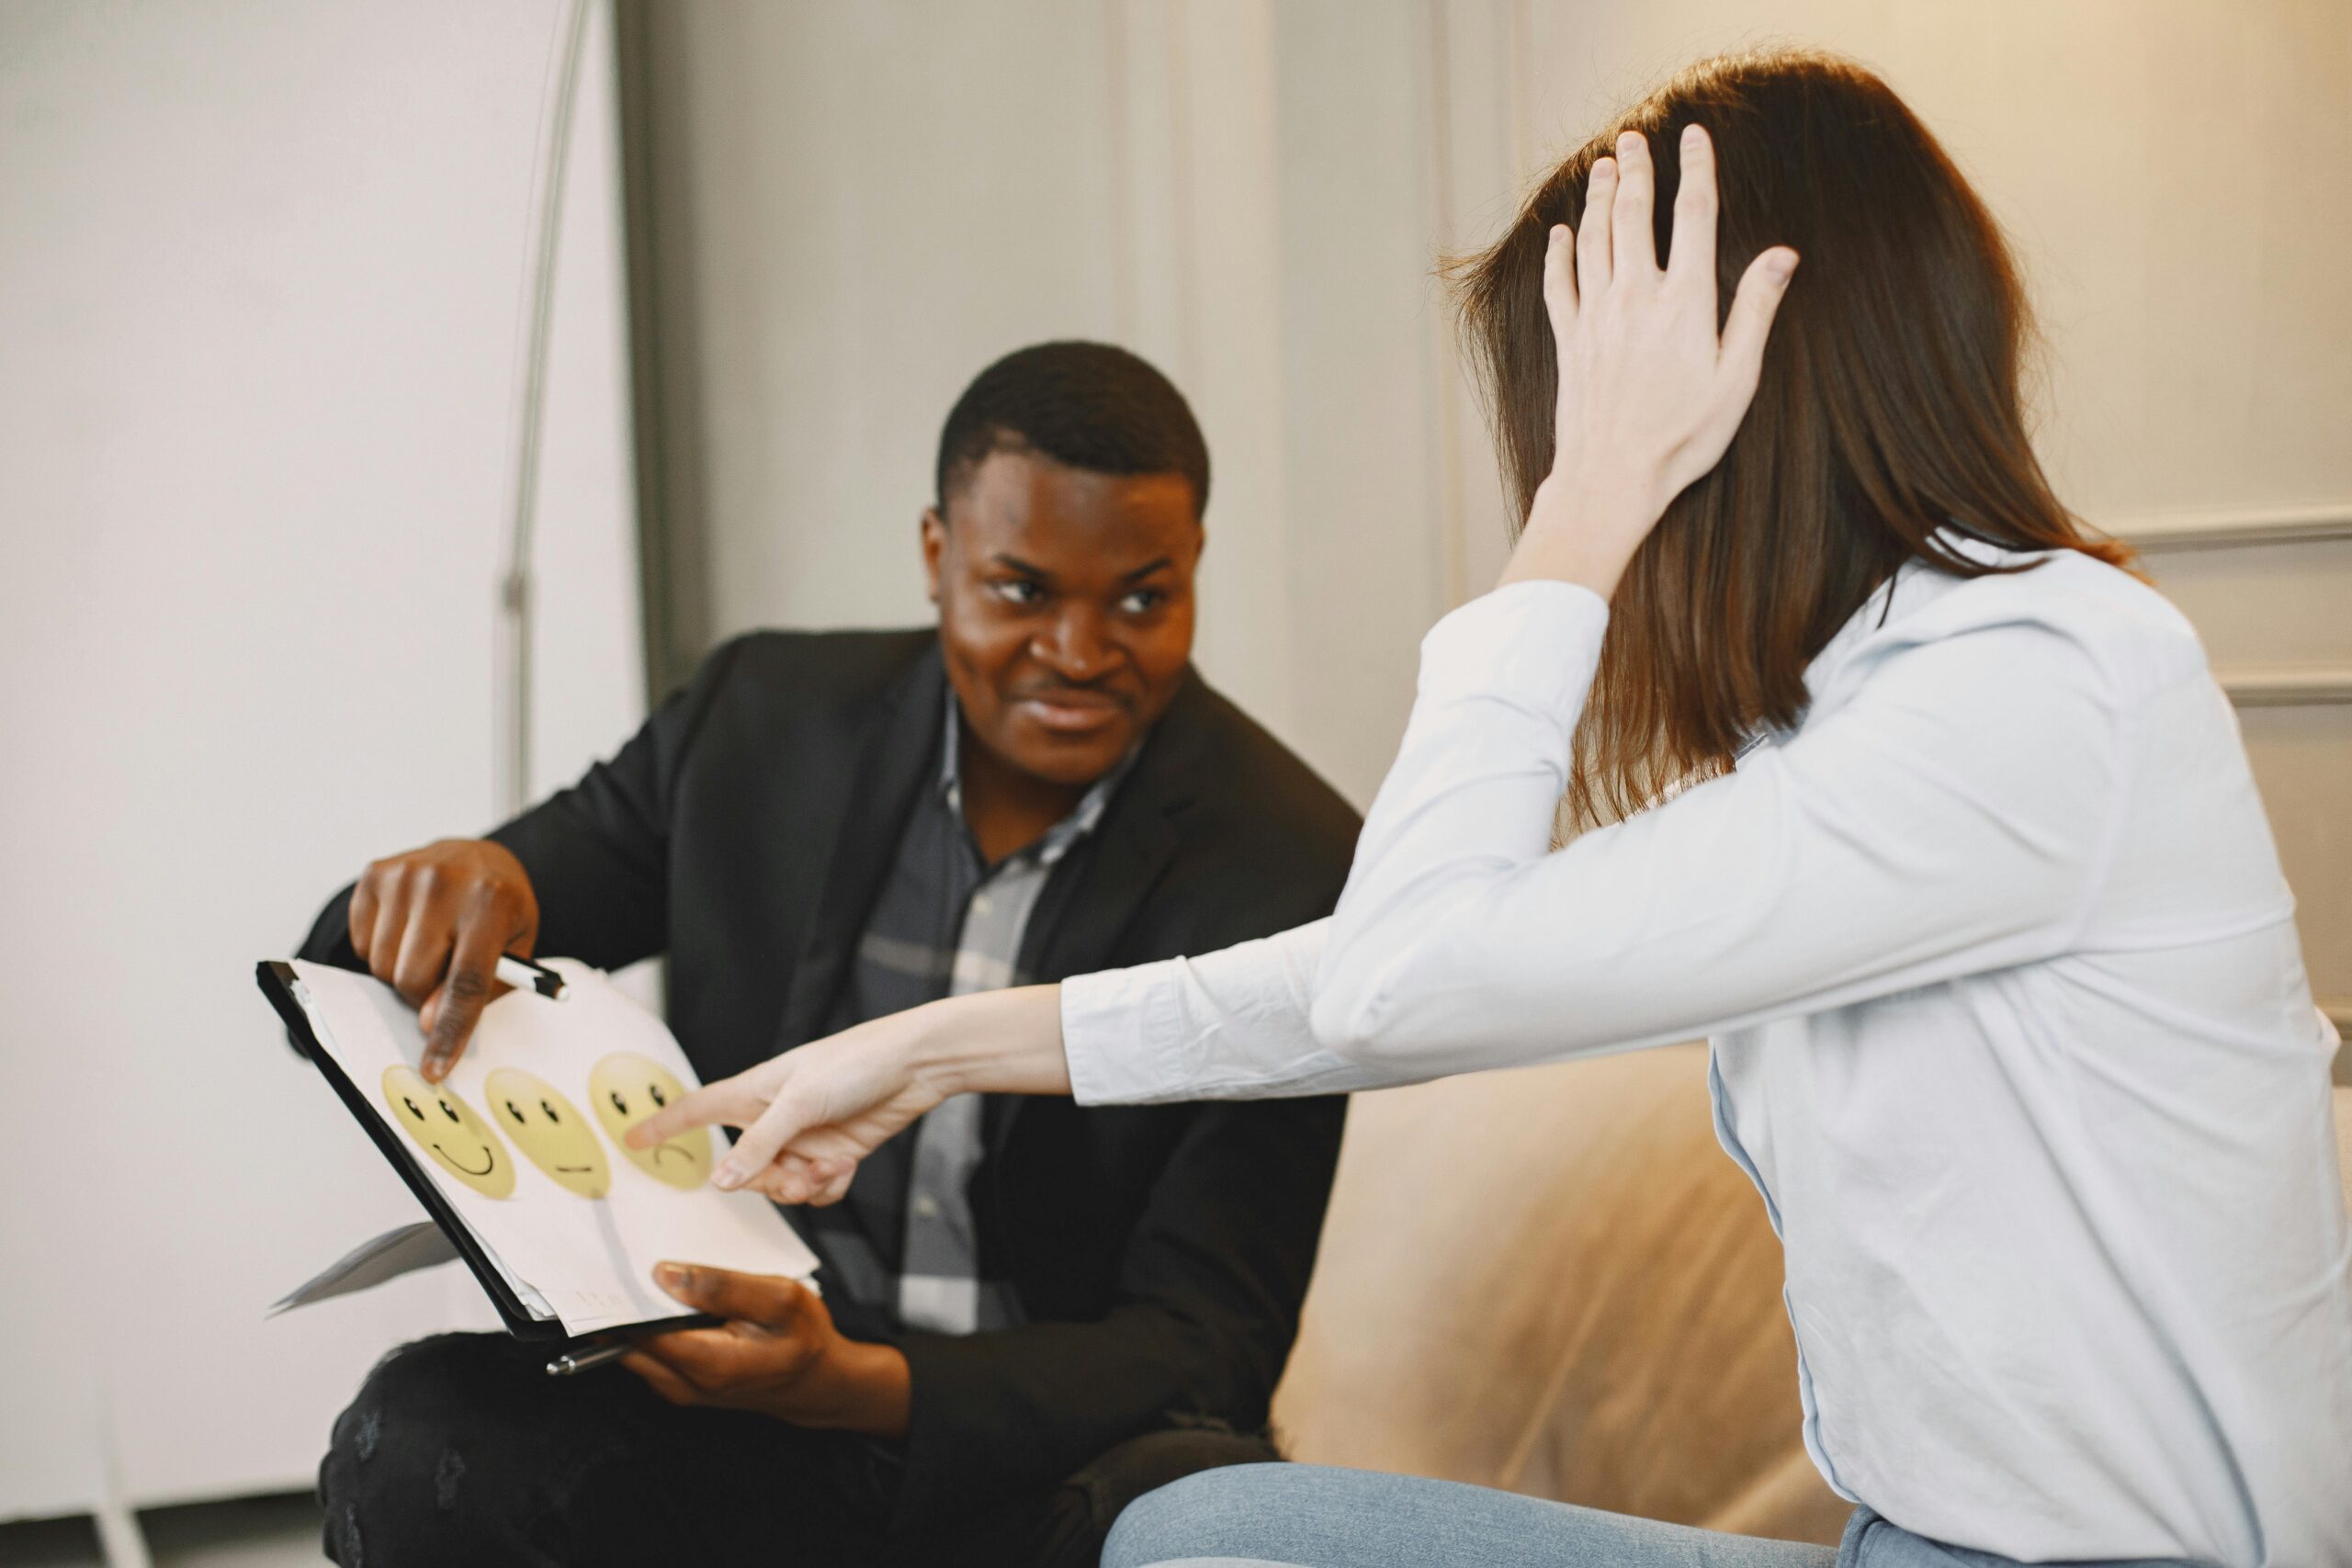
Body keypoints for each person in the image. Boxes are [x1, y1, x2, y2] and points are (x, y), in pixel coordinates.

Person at [632, 51, 2352, 1568]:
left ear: (1738, 400)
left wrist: (1597, 503)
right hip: (1900, 1549)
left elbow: (1407, 976)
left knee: (1209, 1552)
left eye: (1580, 410)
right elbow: (1378, 979)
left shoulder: (2042, 687)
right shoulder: (1876, 721)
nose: (1550, 466)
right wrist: (931, 1048)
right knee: (1210, 1535)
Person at [296, 341, 1362, 1568]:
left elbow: (1206, 1340)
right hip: (739, 1406)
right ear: (934, 555)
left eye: (1140, 597)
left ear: (1194, 569)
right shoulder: (762, 723)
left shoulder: (1290, 862)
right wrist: (448, 892)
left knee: (1208, 1505)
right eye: (1020, 591)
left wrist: (861, 1385)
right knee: (422, 1432)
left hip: (1048, 1454)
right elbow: (349, 985)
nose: (1078, 651)